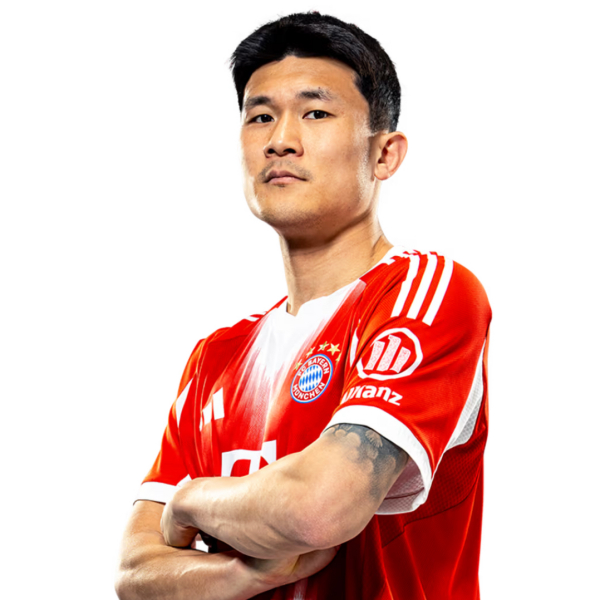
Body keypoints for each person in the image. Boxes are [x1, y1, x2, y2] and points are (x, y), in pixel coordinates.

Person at [116, 12, 492, 600]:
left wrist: (189, 502)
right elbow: (136, 574)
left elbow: (320, 508)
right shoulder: (216, 357)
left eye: (316, 113)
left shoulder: (426, 293)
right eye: (260, 116)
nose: (280, 139)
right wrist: (242, 575)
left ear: (385, 155)